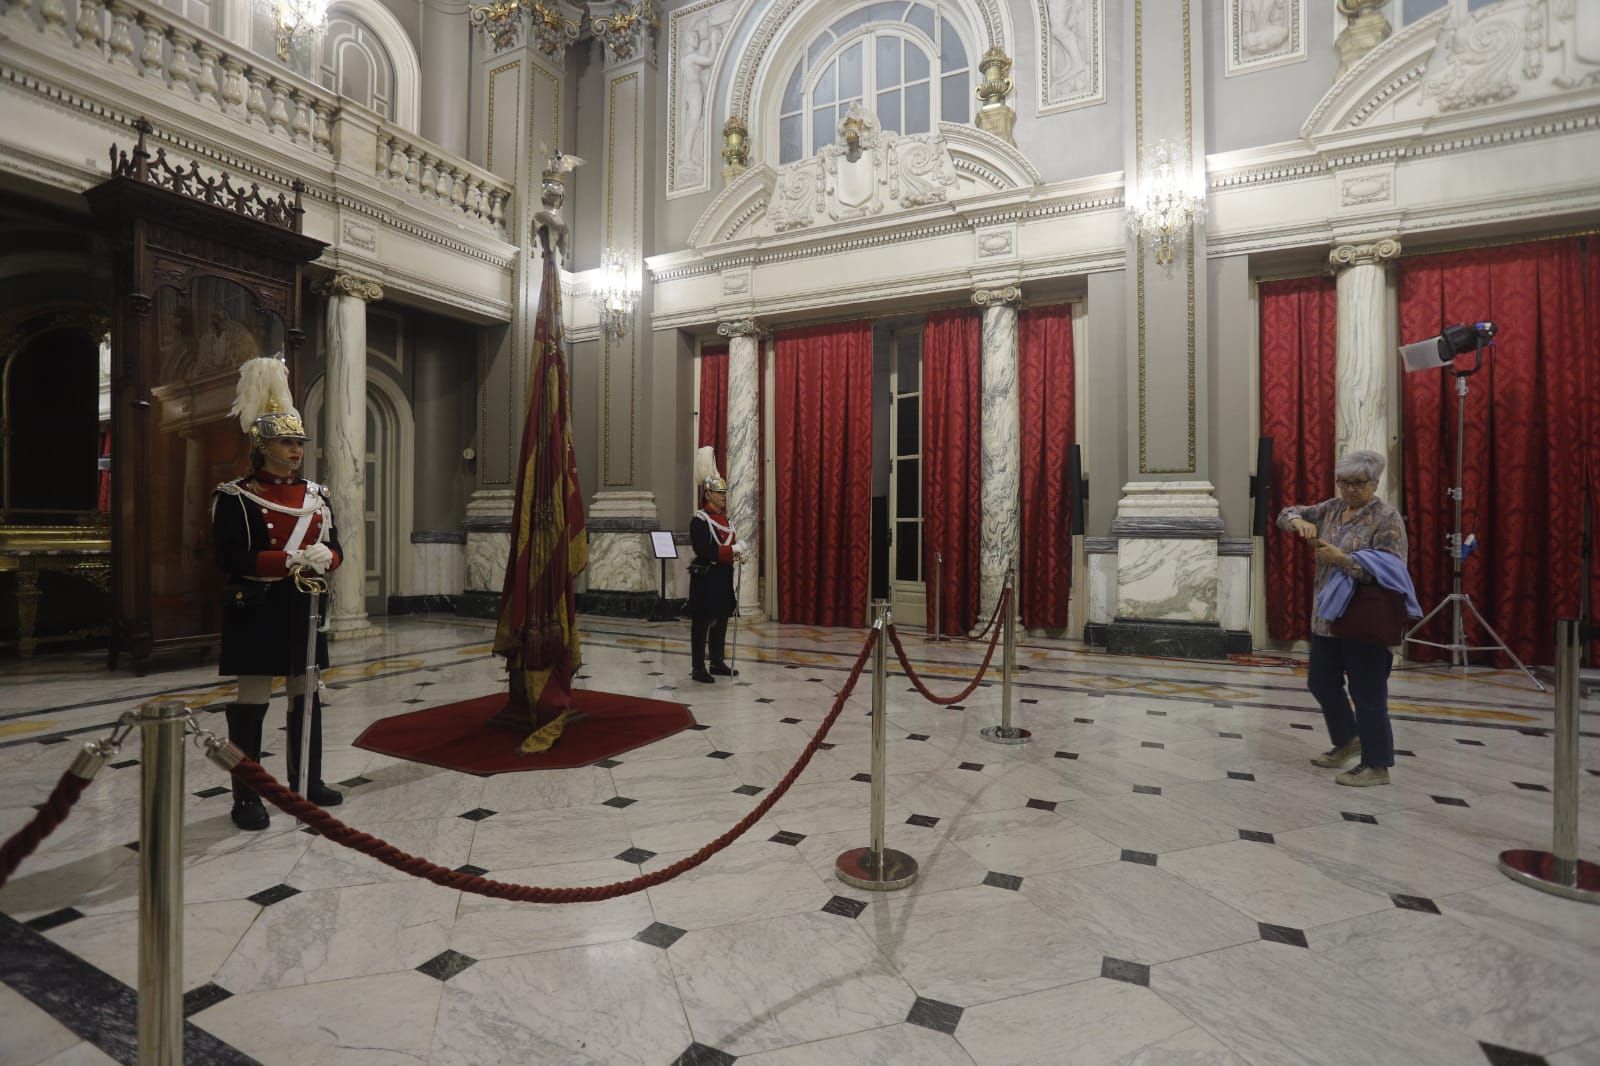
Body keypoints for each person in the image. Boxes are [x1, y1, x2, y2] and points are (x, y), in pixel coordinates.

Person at [213, 356, 344, 830]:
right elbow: (231, 559)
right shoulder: (235, 496)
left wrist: (327, 558)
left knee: (305, 694)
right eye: (286, 442)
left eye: (299, 442)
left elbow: (336, 546)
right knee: (251, 703)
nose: (296, 451)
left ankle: (307, 781)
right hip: (257, 609)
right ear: (262, 445)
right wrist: (289, 560)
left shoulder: (318, 495)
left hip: (303, 607)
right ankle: (246, 795)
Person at [1278, 449, 1413, 787]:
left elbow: (1391, 570)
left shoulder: (1386, 517)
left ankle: (1377, 765)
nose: (1351, 490)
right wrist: (1298, 521)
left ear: (1375, 483)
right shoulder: (1332, 508)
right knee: (1320, 682)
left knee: (1368, 692)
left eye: (1359, 483)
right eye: (1345, 483)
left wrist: (1343, 559)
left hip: (1365, 618)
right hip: (1328, 616)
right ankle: (1349, 739)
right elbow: (1286, 512)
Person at [688, 446, 747, 684]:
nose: (723, 496)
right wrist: (731, 550)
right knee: (702, 623)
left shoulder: (725, 520)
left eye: (724, 493)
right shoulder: (699, 521)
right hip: (706, 579)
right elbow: (706, 551)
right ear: (708, 494)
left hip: (723, 577)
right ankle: (697, 667)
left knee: (722, 619)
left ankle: (717, 661)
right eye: (719, 493)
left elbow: (726, 544)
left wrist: (739, 552)